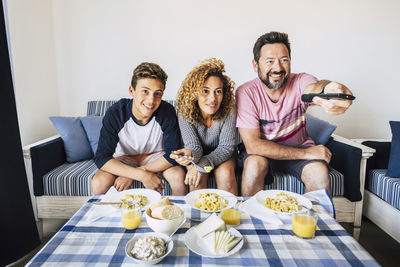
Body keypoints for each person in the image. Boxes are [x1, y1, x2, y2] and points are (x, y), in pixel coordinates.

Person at [236, 31, 353, 196]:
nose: (277, 68)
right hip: (262, 154)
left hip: (298, 149)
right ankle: (250, 219)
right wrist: (306, 153)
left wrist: (330, 90)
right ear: (256, 65)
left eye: (284, 60)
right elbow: (253, 145)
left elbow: (314, 89)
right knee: (254, 165)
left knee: (318, 172)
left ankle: (318, 221)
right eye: (270, 61)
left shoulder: (301, 81)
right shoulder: (246, 92)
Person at [91, 62, 187, 196]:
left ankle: (176, 214)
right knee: (99, 181)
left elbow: (172, 155)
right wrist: (141, 175)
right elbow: (102, 158)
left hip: (155, 158)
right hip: (124, 158)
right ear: (132, 90)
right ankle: (100, 215)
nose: (151, 100)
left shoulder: (167, 111)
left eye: (157, 93)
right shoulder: (116, 112)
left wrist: (138, 172)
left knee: (178, 177)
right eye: (145, 91)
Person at [170, 58, 238, 195]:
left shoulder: (229, 108)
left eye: (218, 91)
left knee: (225, 174)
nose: (213, 98)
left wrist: (202, 165)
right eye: (205, 91)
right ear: (194, 93)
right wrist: (189, 155)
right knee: (196, 178)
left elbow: (226, 148)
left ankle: (230, 215)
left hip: (223, 155)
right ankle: (199, 216)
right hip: (197, 155)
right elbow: (194, 147)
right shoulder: (184, 111)